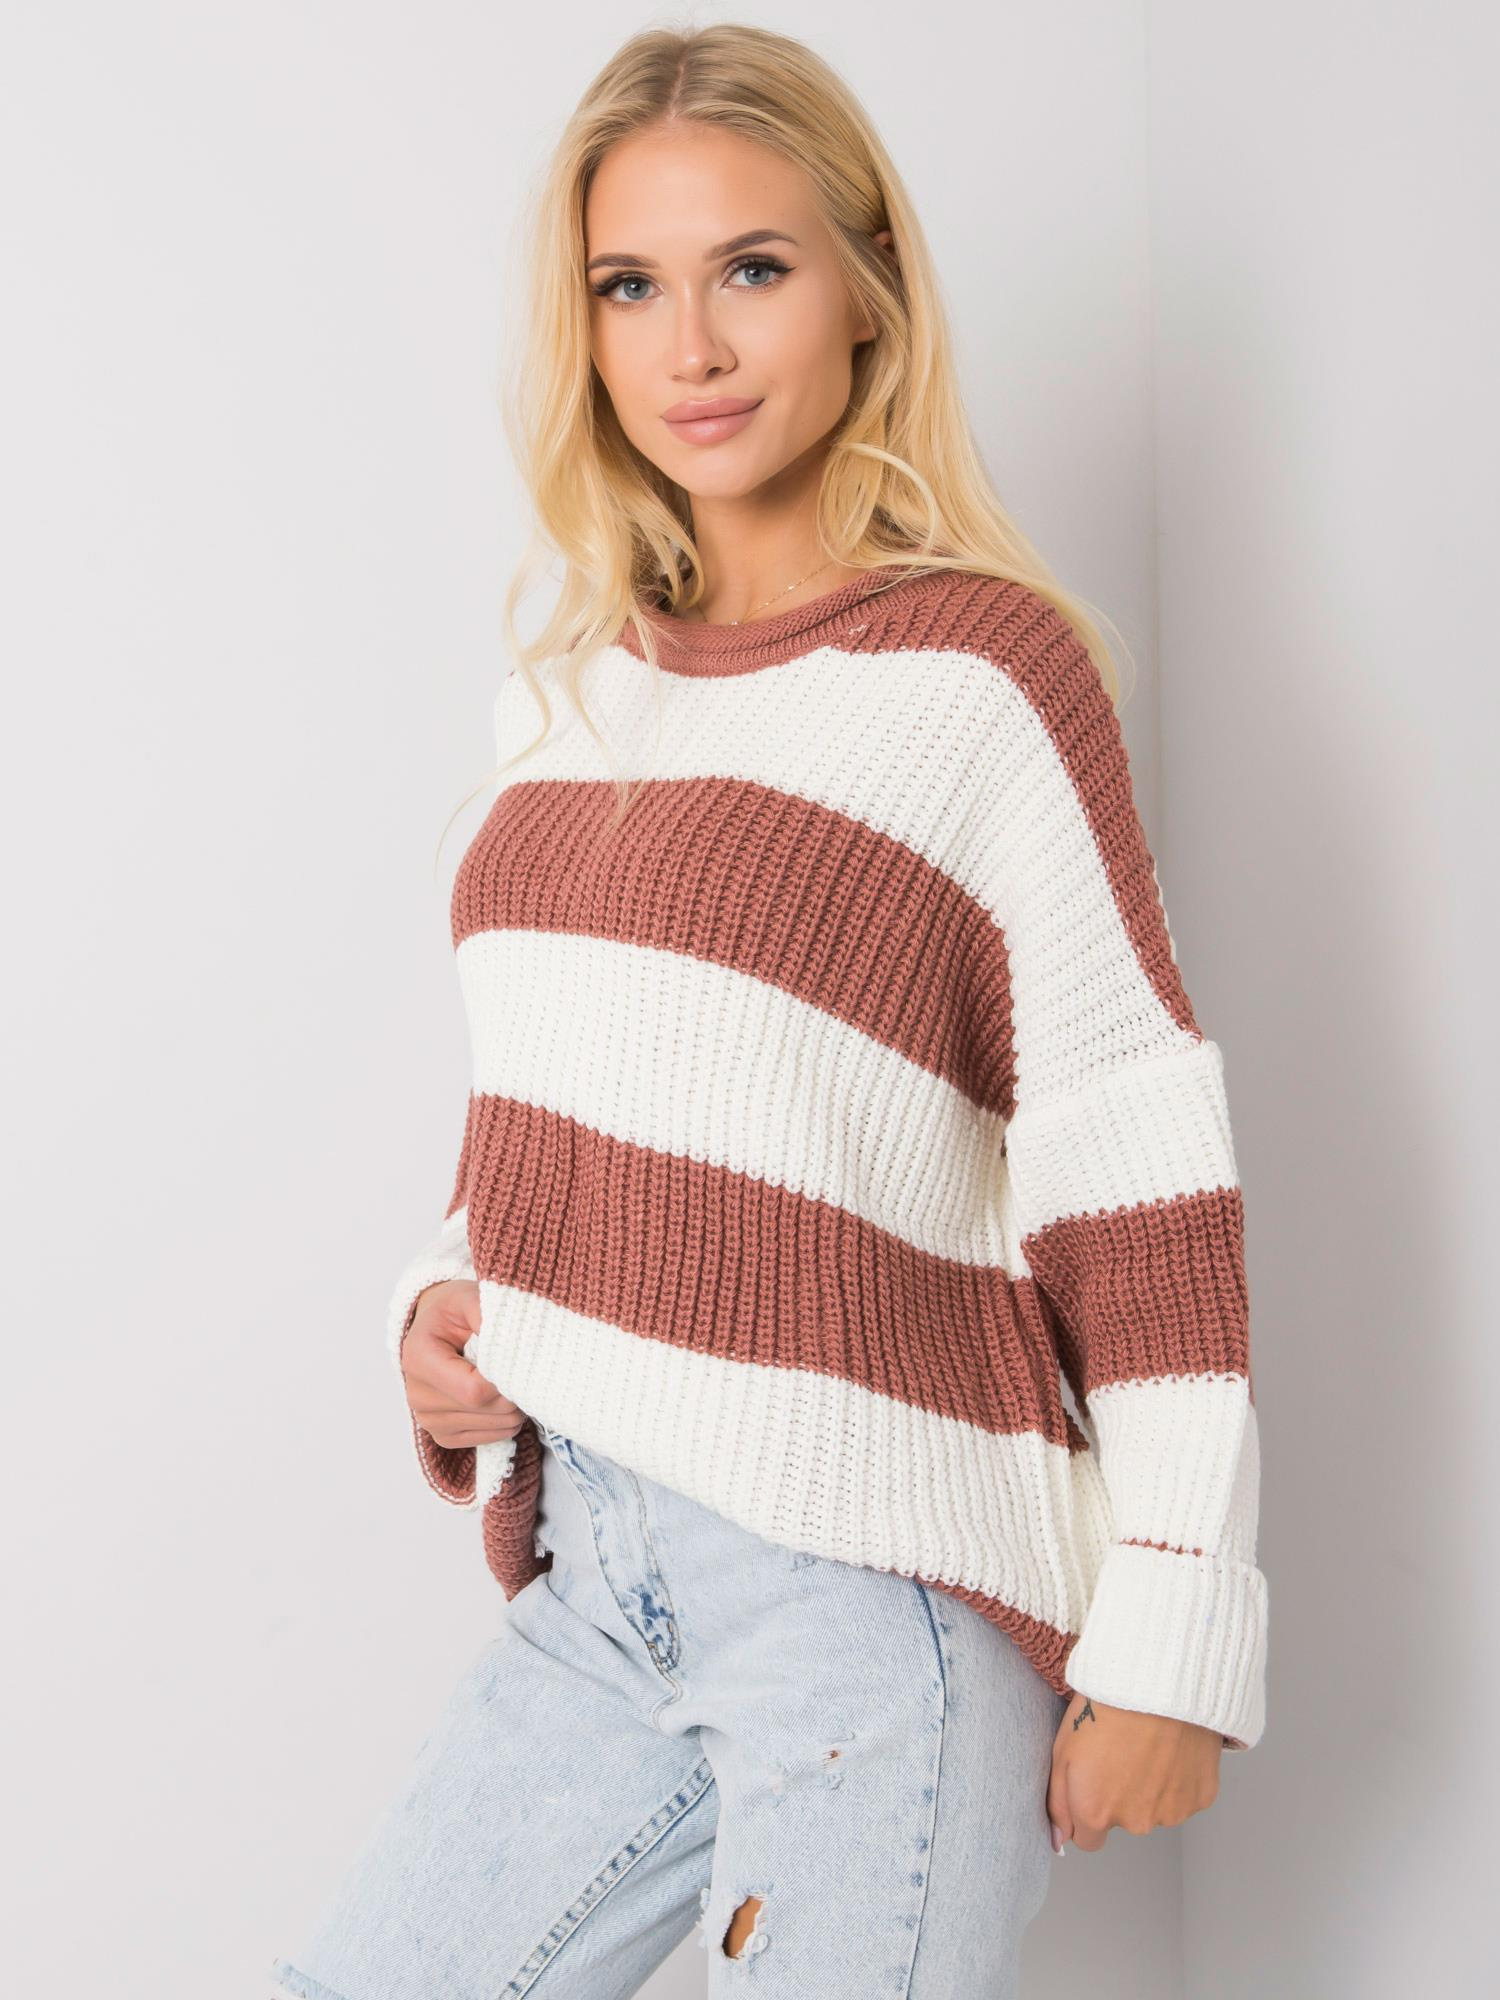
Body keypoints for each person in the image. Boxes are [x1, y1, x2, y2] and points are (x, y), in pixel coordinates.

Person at [270, 21, 1268, 1999]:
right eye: (630, 286)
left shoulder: (982, 682)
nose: (694, 347)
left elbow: (1133, 1171)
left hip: (871, 1608)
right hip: (603, 1578)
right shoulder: (567, 704)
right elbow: (563, 1122)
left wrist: (1174, 1637)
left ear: (870, 290)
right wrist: (442, 1310)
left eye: (752, 267)